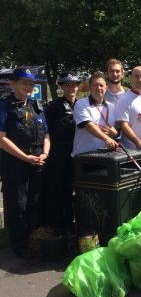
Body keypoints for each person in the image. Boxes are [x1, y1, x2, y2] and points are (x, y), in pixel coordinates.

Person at [0, 68, 50, 259]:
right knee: (17, 207)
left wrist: (45, 153)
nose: (28, 87)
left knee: (34, 204)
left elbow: (46, 134)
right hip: (15, 165)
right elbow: (2, 138)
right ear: (13, 84)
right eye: (23, 83)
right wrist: (25, 157)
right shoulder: (5, 106)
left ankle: (32, 241)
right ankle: (19, 247)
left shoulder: (36, 105)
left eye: (30, 84)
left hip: (37, 163)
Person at [43, 71, 80, 233]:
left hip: (77, 153)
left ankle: (73, 223)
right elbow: (45, 131)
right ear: (62, 87)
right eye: (67, 85)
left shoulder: (81, 104)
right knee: (59, 191)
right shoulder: (54, 106)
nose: (71, 88)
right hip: (58, 154)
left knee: (77, 191)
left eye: (74, 85)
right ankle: (59, 226)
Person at [72, 71, 119, 156]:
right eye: (95, 85)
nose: (98, 88)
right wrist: (107, 139)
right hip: (84, 156)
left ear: (106, 88)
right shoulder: (81, 104)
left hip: (106, 156)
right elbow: (88, 125)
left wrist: (115, 134)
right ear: (90, 87)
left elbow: (115, 131)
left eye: (101, 85)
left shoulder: (112, 107)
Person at [115, 66, 141, 151]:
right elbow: (124, 125)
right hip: (131, 151)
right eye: (136, 76)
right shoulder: (124, 100)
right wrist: (137, 142)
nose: (140, 80)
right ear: (131, 78)